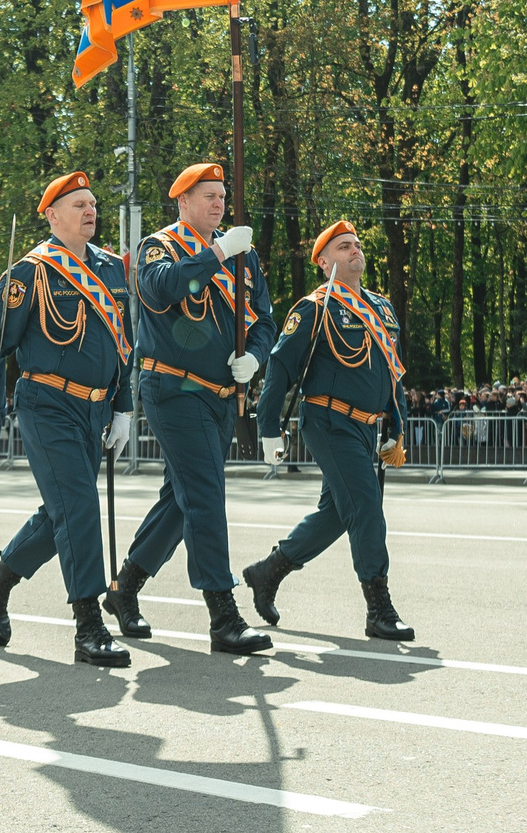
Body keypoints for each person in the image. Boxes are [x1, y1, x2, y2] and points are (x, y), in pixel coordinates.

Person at [0, 173, 135, 666]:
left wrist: (122, 405)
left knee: (62, 510)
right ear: (52, 216)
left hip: (94, 408)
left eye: (93, 203)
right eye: (78, 204)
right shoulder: (30, 272)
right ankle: (88, 626)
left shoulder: (110, 268)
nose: (90, 210)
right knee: (79, 506)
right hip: (47, 404)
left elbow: (123, 344)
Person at [105, 161, 274, 654]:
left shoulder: (245, 255)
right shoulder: (159, 246)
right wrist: (218, 253)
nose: (219, 203)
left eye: (222, 195)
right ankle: (223, 614)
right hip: (174, 390)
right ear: (183, 202)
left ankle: (125, 587)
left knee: (180, 503)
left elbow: (263, 319)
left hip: (220, 396)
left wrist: (255, 357)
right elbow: (161, 288)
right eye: (208, 196)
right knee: (204, 496)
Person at [243, 221, 411, 642]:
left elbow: (392, 373)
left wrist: (397, 424)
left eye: (356, 244)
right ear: (323, 261)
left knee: (337, 514)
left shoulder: (382, 309)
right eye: (343, 247)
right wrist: (268, 428)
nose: (354, 250)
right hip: (329, 421)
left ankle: (268, 572)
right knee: (366, 505)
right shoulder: (314, 308)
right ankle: (379, 608)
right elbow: (280, 366)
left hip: (366, 426)